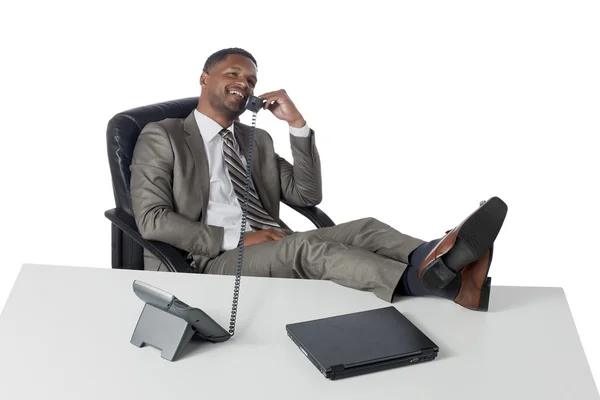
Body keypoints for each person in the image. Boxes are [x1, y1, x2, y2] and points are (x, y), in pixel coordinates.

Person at [130, 47, 508, 311]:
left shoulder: (254, 139)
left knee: (366, 229)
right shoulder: (162, 135)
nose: (244, 84)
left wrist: (297, 125)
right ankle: (449, 283)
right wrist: (240, 238)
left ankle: (439, 258)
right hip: (209, 259)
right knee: (311, 250)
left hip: (272, 242)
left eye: (250, 80)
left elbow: (306, 193)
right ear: (204, 77)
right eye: (233, 74)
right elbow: (152, 219)